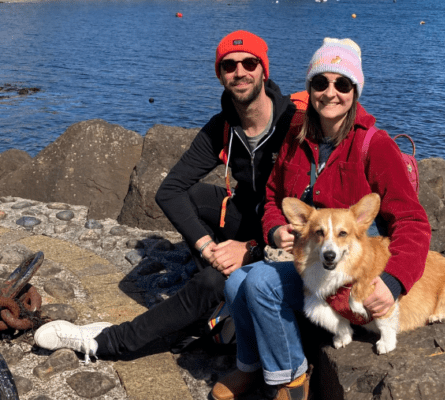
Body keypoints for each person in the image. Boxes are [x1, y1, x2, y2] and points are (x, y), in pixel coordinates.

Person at [34, 30, 301, 363]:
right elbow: (170, 190)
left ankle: (107, 342)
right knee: (192, 195)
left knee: (208, 283)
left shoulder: (295, 124)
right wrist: (208, 247)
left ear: (264, 70)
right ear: (220, 75)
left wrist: (249, 251)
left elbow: (316, 218)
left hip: (286, 240)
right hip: (249, 218)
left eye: (249, 63)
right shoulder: (223, 126)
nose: (240, 72)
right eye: (229, 66)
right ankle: (215, 293)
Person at [209, 38, 431, 400]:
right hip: (307, 262)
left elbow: (413, 222)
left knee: (261, 282)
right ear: (309, 88)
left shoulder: (374, 146)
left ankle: (292, 378)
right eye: (320, 83)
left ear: (355, 90)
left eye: (342, 84)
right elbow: (272, 197)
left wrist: (392, 282)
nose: (330, 93)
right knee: (236, 284)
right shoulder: (298, 134)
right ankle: (250, 367)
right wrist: (275, 227)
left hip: (344, 274)